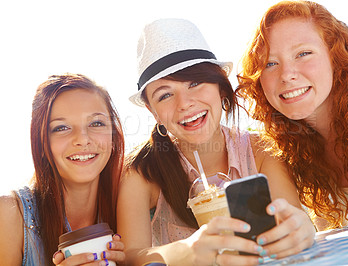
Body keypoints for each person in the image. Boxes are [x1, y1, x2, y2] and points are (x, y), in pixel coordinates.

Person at [117, 18, 315, 266]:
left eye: (195, 83)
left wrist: (300, 228)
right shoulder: (141, 173)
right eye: (165, 95)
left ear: (221, 86)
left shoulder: (262, 152)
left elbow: (291, 221)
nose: (185, 103)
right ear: (153, 111)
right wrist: (185, 252)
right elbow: (131, 257)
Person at [236, 0, 348, 231]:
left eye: (303, 53)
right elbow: (324, 228)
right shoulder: (288, 145)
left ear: (335, 57)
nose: (287, 74)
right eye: (271, 63)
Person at [0, 73, 126, 265]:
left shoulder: (130, 205)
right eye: (61, 128)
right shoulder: (10, 215)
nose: (83, 139)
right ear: (41, 143)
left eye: (96, 123)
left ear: (113, 136)